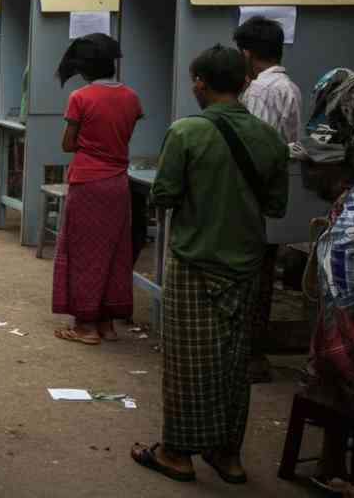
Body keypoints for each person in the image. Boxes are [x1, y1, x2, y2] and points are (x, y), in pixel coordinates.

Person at [132, 45, 289, 485]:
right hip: (247, 264)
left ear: (200, 83)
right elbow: (276, 205)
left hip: (195, 261)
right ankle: (228, 454)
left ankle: (177, 452)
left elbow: (164, 196)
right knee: (234, 362)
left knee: (188, 359)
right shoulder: (270, 139)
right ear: (244, 83)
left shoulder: (186, 132)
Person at [49, 34, 143, 345]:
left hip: (88, 182)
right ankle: (107, 323)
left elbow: (67, 144)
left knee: (83, 252)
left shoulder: (80, 97)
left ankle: (85, 326)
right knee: (113, 252)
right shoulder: (131, 97)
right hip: (118, 182)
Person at [234, 15, 302, 384]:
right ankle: (254, 352)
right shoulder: (289, 87)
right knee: (263, 275)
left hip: (253, 195)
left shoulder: (261, 90)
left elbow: (254, 145)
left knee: (249, 276)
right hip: (274, 189)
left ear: (247, 53)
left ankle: (248, 355)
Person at [300, 68, 354, 491]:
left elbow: (343, 317)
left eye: (310, 166)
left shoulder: (347, 232)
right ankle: (332, 464)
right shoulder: (344, 210)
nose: (305, 175)